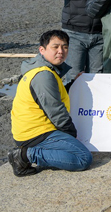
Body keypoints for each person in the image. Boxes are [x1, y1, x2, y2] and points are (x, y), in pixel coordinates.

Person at [8, 30, 92, 176]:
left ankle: (30, 152)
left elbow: (53, 97)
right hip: (35, 134)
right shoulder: (43, 75)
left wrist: (74, 83)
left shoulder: (43, 70)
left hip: (32, 130)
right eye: (55, 47)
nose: (61, 51)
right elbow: (56, 111)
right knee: (83, 158)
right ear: (42, 50)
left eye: (65, 47)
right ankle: (24, 155)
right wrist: (71, 135)